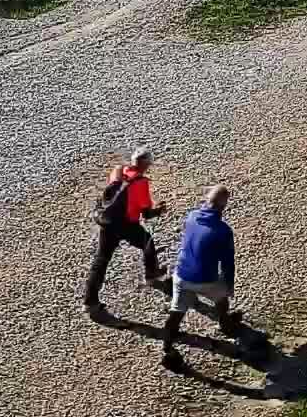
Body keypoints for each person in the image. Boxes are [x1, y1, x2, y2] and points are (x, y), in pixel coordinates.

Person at [82, 147, 168, 318]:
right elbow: (146, 213)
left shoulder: (119, 172)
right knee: (147, 241)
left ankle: (90, 302)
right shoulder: (141, 183)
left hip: (107, 223)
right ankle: (151, 275)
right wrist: (159, 210)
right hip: (126, 225)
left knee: (101, 260)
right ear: (146, 164)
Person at [161, 185, 239, 370]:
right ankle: (224, 324)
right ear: (223, 206)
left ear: (206, 200)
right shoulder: (223, 231)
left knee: (176, 313)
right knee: (221, 298)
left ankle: (167, 348)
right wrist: (229, 286)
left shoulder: (191, 217)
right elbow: (227, 263)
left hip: (181, 274)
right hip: (205, 280)